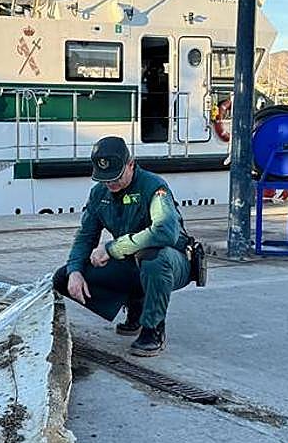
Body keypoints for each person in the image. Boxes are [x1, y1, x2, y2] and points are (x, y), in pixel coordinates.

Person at [53, 136, 198, 356]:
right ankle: (136, 304)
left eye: (116, 177)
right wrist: (74, 270)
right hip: (132, 262)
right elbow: (86, 235)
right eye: (105, 179)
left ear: (131, 164)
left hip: (171, 261)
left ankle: (153, 328)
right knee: (63, 278)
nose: (110, 184)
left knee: (153, 259)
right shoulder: (100, 194)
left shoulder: (154, 187)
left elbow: (165, 232)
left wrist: (112, 249)